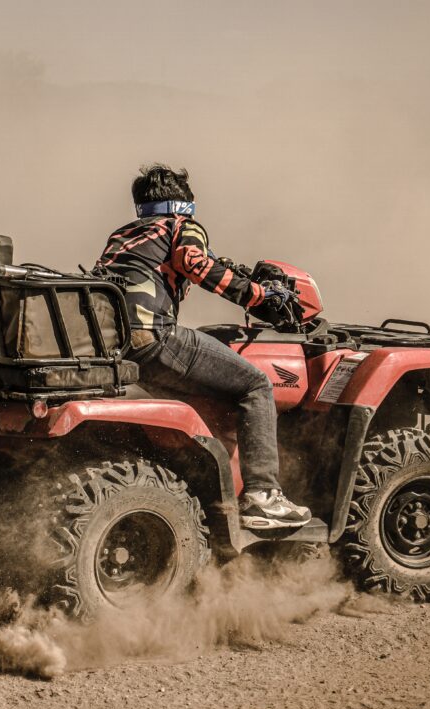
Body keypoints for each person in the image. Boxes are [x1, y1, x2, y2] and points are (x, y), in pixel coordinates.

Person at [94, 163, 311, 529]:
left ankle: (213, 490)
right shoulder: (183, 226)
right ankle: (262, 496)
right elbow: (194, 262)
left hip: (119, 348)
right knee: (256, 386)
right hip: (155, 337)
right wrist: (258, 295)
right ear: (185, 204)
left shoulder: (125, 235)